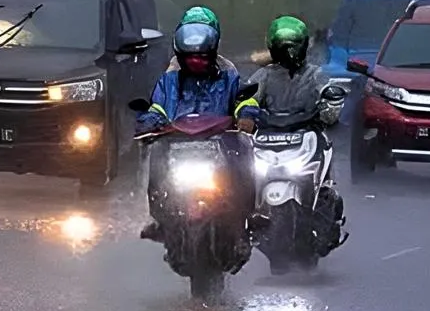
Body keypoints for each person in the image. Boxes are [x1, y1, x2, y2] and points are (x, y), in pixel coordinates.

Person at [137, 13, 260, 242]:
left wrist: (246, 115)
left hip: (221, 142)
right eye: (190, 57)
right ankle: (160, 219)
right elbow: (157, 106)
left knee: (246, 157)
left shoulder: (228, 74)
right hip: (177, 144)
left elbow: (244, 99)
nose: (196, 62)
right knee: (156, 159)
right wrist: (150, 123)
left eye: (202, 56)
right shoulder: (169, 79)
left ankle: (247, 215)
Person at [247, 15, 346, 250]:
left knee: (324, 172)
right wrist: (241, 108)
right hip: (266, 137)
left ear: (302, 47)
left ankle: (323, 208)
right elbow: (247, 96)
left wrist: (331, 100)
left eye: (292, 48)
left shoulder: (314, 74)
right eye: (283, 49)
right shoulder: (264, 75)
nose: (288, 54)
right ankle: (242, 222)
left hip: (306, 134)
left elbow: (327, 92)